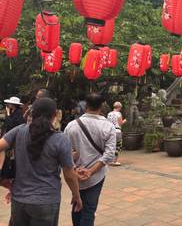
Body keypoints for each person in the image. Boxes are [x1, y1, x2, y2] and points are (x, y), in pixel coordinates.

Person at [0, 97, 82, 226]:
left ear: (31, 113)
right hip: (46, 201)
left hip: (19, 200)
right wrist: (76, 195)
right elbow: (69, 175)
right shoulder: (60, 139)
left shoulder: (19, 131)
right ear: (55, 115)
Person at [65, 93, 116, 226]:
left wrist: (74, 170)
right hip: (96, 175)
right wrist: (91, 171)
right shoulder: (108, 126)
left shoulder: (71, 126)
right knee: (89, 209)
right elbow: (110, 154)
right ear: (101, 106)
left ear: (85, 106)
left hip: (75, 174)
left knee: (76, 204)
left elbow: (64, 153)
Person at [107, 102, 126, 166]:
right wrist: (125, 121)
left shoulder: (109, 114)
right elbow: (120, 124)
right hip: (117, 131)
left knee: (111, 146)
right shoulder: (118, 114)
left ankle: (109, 160)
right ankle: (114, 161)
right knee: (117, 146)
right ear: (119, 107)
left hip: (110, 131)